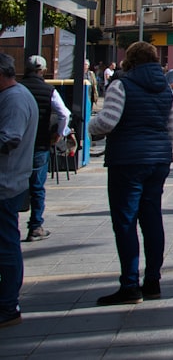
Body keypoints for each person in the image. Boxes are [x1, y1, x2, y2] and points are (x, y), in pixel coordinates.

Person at [88, 41, 173, 305]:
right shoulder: (166, 90)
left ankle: (129, 284)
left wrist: (90, 126)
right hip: (158, 160)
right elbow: (172, 131)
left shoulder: (121, 85)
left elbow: (107, 122)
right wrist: (160, 150)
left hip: (127, 160)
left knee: (125, 221)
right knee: (152, 219)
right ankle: (153, 281)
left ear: (131, 60)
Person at [0, 52, 39, 328]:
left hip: (6, 182)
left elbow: (10, 137)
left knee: (6, 244)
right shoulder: (20, 94)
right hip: (13, 179)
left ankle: (8, 303)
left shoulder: (14, 98)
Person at [19, 55, 70, 242]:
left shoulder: (16, 88)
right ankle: (35, 226)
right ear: (44, 70)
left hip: (17, 146)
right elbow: (64, 113)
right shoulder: (49, 91)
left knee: (13, 185)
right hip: (40, 144)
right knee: (37, 187)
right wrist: (58, 134)